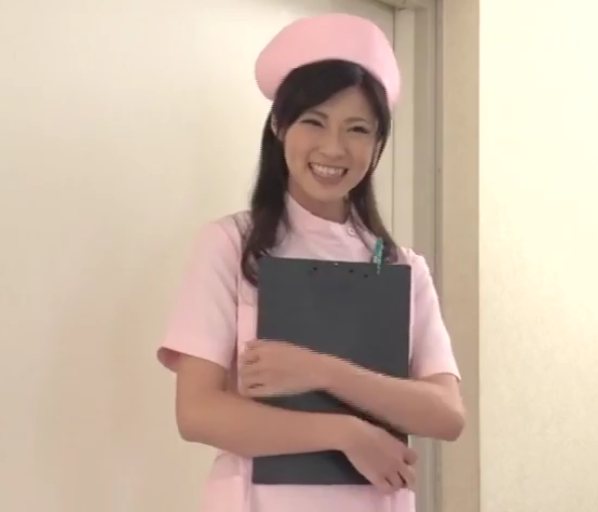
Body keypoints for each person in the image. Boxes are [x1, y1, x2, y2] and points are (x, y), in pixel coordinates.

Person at [156, 12, 464, 512]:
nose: (333, 148)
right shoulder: (230, 245)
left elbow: (446, 414)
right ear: (280, 127)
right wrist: (345, 433)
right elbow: (197, 412)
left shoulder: (401, 267)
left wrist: (323, 371)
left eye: (357, 129)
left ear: (378, 144)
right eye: (314, 122)